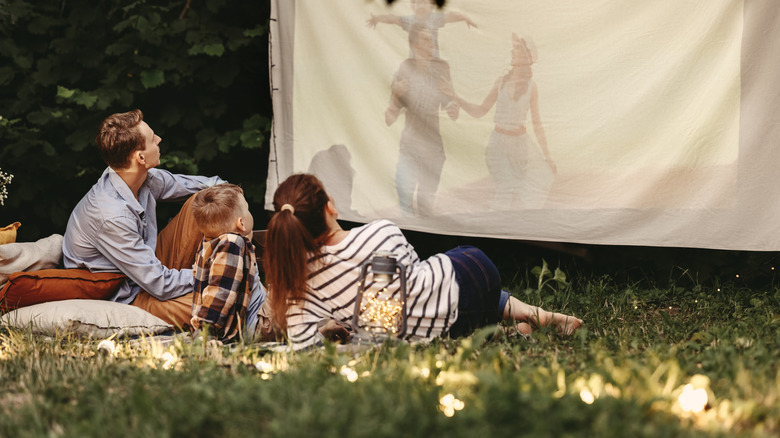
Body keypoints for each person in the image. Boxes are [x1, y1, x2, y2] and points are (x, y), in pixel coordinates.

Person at [263, 173, 583, 351]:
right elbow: (416, 278)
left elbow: (303, 343)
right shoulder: (379, 232)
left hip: (435, 327)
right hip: (473, 277)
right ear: (330, 206)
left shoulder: (295, 282)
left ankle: (511, 328)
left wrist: (331, 327)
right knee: (443, 270)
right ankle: (535, 317)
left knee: (412, 298)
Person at [62, 109, 226, 328]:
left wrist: (231, 193)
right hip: (129, 295)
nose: (159, 139)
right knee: (223, 302)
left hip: (148, 271)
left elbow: (206, 186)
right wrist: (214, 275)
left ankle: (234, 268)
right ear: (140, 157)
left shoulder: (144, 179)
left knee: (210, 199)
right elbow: (160, 284)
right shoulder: (111, 215)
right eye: (152, 139)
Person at [442, 33, 556, 209]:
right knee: (506, 187)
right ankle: (495, 228)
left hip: (520, 146)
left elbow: (538, 124)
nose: (512, 50)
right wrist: (455, 97)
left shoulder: (532, 87)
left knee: (529, 185)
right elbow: (480, 111)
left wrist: (547, 157)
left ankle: (514, 228)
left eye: (517, 48)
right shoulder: (501, 82)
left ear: (527, 56)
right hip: (498, 144)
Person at [385, 23, 459, 215]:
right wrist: (395, 96)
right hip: (409, 148)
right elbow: (389, 118)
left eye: (431, 39)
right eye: (426, 39)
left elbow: (454, 113)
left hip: (433, 151)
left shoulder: (442, 68)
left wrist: (452, 97)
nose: (431, 43)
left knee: (426, 209)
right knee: (405, 207)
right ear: (415, 44)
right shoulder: (405, 68)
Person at [189, 183, 266, 342]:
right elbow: (220, 289)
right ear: (241, 223)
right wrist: (206, 329)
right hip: (256, 325)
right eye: (248, 210)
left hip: (255, 319)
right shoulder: (232, 244)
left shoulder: (210, 244)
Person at [366, 0, 476, 59]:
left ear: (431, 6)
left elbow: (450, 16)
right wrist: (377, 18)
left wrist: (465, 18)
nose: (421, 6)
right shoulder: (410, 20)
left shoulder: (434, 19)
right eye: (418, 3)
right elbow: (393, 19)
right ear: (413, 5)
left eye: (425, 3)